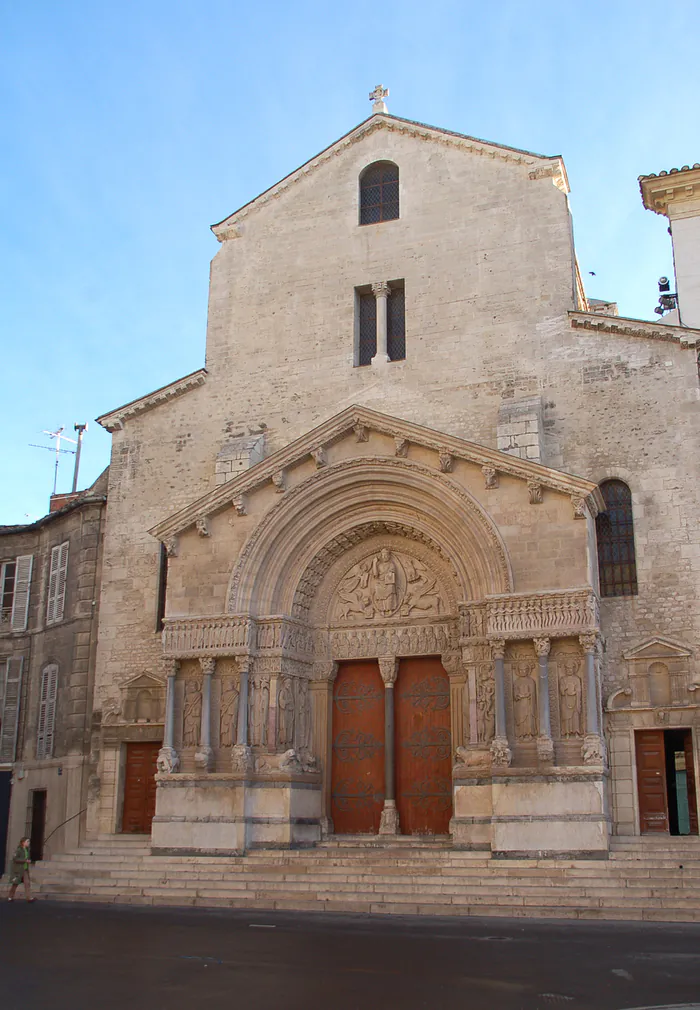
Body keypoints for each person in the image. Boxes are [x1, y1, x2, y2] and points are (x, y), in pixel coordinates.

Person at [7, 837, 35, 902]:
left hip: (25, 869)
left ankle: (28, 898)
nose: (29, 843)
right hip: (19, 870)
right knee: (15, 883)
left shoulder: (27, 850)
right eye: (27, 842)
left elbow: (27, 858)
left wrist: (28, 861)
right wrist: (25, 860)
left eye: (29, 841)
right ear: (23, 842)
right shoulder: (19, 850)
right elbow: (15, 859)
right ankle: (10, 897)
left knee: (27, 883)